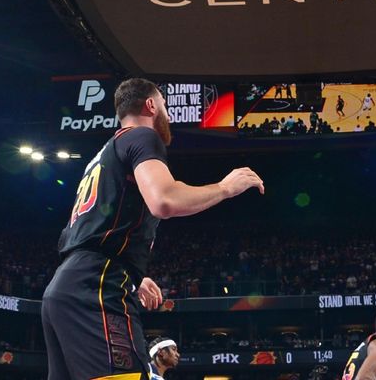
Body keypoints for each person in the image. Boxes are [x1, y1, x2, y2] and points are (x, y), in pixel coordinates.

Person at [41, 78, 265, 380]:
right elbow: (165, 200)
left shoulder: (103, 154)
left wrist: (134, 273)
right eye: (165, 107)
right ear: (150, 106)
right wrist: (225, 188)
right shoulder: (142, 136)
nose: (169, 116)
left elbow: (95, 228)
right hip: (95, 284)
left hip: (65, 286)